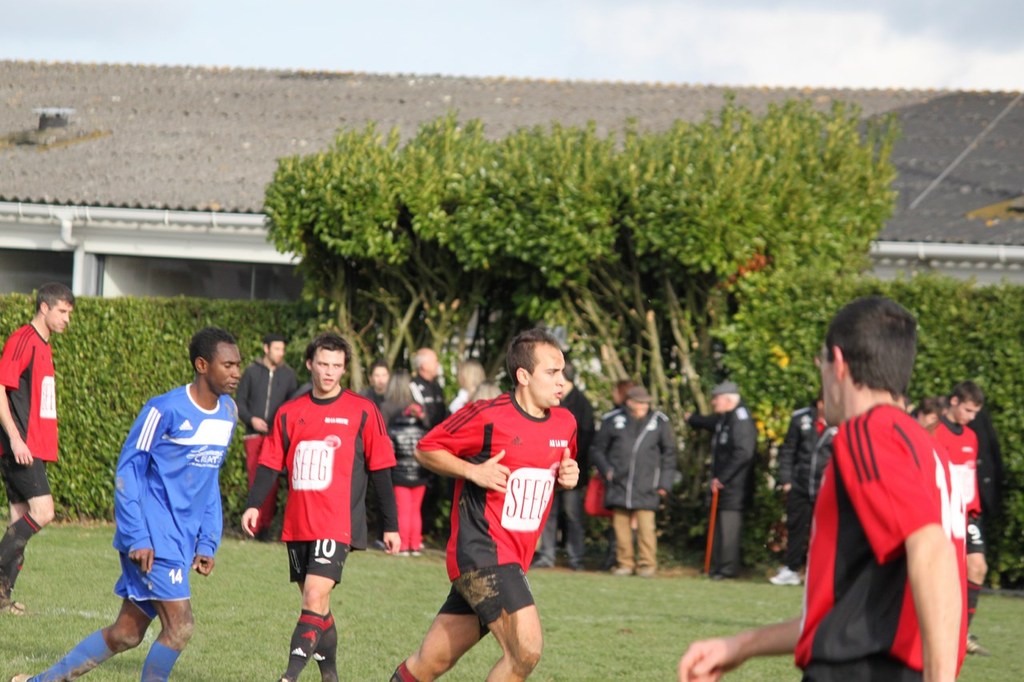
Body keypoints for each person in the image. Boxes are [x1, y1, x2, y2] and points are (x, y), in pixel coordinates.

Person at [678, 296, 967, 682]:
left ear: (838, 362)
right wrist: (740, 646)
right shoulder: (928, 448)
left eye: (821, 364)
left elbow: (932, 548)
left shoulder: (869, 431)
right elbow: (846, 616)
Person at [10, 327, 241, 681]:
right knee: (180, 627)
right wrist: (138, 536)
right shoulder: (164, 410)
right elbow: (128, 472)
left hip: (181, 540)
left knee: (126, 634)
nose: (236, 372)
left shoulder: (228, 413)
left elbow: (209, 477)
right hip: (153, 537)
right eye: (228, 365)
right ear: (201, 365)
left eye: (238, 364)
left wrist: (208, 540)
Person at [391, 328, 580, 682]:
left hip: (514, 559)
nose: (561, 381)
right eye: (552, 372)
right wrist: (472, 471)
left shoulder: (565, 423)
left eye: (563, 372)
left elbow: (561, 468)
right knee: (526, 650)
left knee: (429, 663)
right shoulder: (487, 415)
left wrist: (568, 476)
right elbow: (426, 448)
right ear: (523, 376)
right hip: (481, 552)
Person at [243, 332, 400, 682]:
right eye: (323, 364)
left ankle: (289, 676)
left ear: (344, 369)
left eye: (336, 366)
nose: (329, 372)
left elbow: (380, 469)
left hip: (338, 524)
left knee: (314, 595)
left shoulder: (363, 410)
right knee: (317, 607)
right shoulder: (289, 412)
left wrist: (391, 524)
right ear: (310, 364)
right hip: (299, 524)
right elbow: (269, 463)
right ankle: (331, 677)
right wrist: (254, 505)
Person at [0, 281, 75, 615]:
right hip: (19, 447)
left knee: (19, 520)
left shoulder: (44, 346)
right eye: (63, 311)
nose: (67, 319)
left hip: (33, 448)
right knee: (43, 512)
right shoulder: (23, 340)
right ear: (44, 307)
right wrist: (16, 438)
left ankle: (2, 597)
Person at [591, 385, 676, 578]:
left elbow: (669, 453)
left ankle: (647, 564)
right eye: (639, 403)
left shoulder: (659, 421)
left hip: (648, 483)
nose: (643, 407)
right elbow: (597, 449)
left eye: (645, 403)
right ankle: (625, 563)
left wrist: (665, 482)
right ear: (629, 402)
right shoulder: (612, 419)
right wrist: (607, 471)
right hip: (618, 482)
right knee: (620, 527)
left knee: (647, 527)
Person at [933, 380, 989, 656]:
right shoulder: (934, 432)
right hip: (941, 513)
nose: (971, 417)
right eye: (968, 410)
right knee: (940, 573)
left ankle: (962, 634)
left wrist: (974, 506)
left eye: (975, 412)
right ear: (954, 401)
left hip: (967, 515)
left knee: (977, 567)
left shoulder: (971, 436)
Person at [686, 381, 757, 580]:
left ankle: (727, 569)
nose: (713, 402)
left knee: (728, 528)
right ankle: (717, 566)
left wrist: (723, 478)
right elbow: (711, 423)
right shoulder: (726, 417)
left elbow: (744, 453)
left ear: (727, 399)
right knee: (719, 526)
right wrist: (692, 419)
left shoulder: (740, 419)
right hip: (724, 484)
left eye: (716, 399)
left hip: (735, 485)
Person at [235, 332, 298, 541]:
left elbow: (292, 405)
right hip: (253, 435)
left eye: (282, 349)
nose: (280, 353)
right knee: (256, 479)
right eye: (277, 349)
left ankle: (265, 528)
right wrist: (251, 419)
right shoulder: (251, 372)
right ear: (266, 348)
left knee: (272, 482)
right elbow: (240, 402)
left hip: (276, 436)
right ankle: (253, 526)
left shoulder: (288, 376)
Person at [534, 360, 595, 571]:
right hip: (548, 470)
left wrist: (571, 463)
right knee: (547, 514)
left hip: (571, 473)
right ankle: (547, 555)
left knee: (572, 515)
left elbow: (586, 438)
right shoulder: (550, 401)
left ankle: (575, 557)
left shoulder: (582, 404)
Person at [769, 394, 830, 587]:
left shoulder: (842, 421)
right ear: (820, 403)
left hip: (825, 488)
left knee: (824, 531)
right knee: (796, 527)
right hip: (800, 484)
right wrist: (787, 480)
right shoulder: (801, 418)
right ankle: (791, 568)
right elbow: (788, 450)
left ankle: (818, 571)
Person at [384, 369, 430, 556]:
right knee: (415, 509)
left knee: (402, 509)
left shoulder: (387, 408)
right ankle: (415, 543)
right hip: (419, 470)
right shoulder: (419, 410)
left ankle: (402, 545)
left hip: (399, 470)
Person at [410, 347, 449, 429]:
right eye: (435, 362)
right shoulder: (413, 386)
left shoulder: (437, 385)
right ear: (424, 366)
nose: (437, 365)